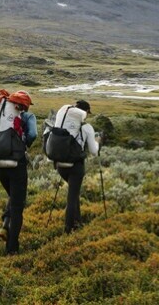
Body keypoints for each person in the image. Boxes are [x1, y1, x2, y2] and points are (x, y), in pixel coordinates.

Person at [0, 90, 36, 254]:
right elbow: (33, 134)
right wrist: (22, 144)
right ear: (25, 104)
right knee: (18, 205)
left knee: (13, 197)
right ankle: (12, 249)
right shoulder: (26, 117)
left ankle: (4, 225)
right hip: (16, 163)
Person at [46, 99, 100, 233]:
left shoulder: (61, 124)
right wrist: (98, 141)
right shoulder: (86, 128)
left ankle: (77, 222)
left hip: (60, 165)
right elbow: (94, 151)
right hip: (75, 166)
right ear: (85, 112)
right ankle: (69, 229)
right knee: (72, 197)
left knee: (73, 194)